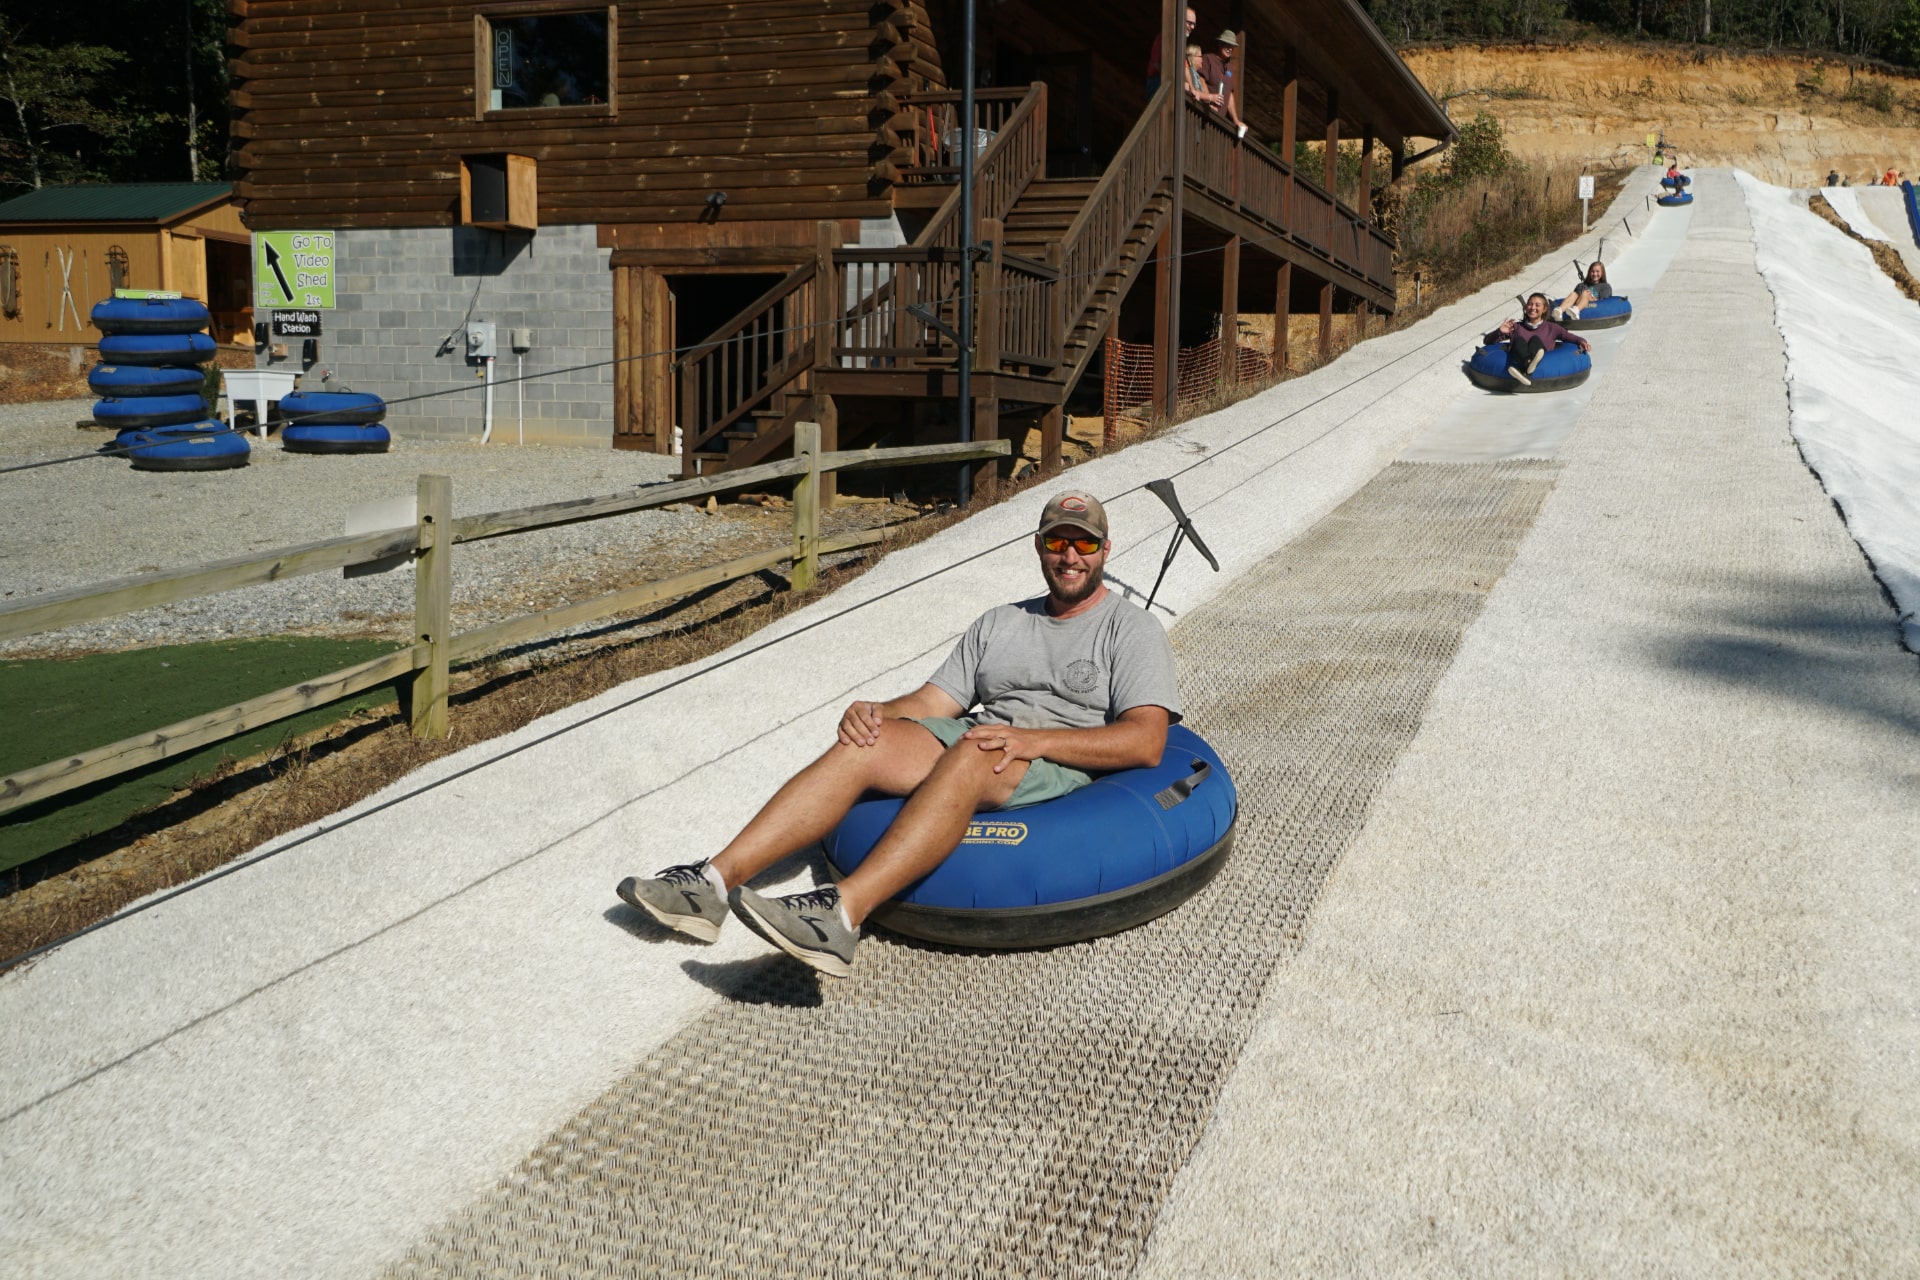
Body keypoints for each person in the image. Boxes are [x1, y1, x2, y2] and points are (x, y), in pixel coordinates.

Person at [616, 491, 1182, 978]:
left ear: (1105, 551)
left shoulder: (1130, 630)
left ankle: (839, 918)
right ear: (1039, 547)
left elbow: (1145, 740)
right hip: (983, 739)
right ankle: (710, 885)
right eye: (1057, 541)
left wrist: (1035, 741)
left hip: (1057, 756)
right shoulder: (1000, 622)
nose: (1069, 556)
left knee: (971, 749)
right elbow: (935, 703)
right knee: (867, 743)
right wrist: (876, 712)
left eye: (1083, 544)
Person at [1486, 293, 1590, 385]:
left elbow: (1569, 337)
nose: (1532, 307)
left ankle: (1525, 370)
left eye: (1537, 305)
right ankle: (1527, 365)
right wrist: (1499, 331)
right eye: (1530, 304)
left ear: (1544, 309)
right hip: (1519, 356)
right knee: (1518, 340)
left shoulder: (1551, 328)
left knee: (1535, 339)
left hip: (1544, 361)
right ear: (1526, 307)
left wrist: (1581, 341)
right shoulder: (1516, 327)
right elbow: (1488, 342)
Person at [1200, 31, 1248, 139]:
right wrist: (1209, 100)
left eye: (1232, 46)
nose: (1230, 48)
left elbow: (1229, 94)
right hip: (1204, 115)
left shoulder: (1230, 67)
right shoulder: (1208, 59)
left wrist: (1236, 120)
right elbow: (1201, 80)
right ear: (1219, 43)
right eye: (1227, 44)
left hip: (1218, 122)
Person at [1146, 7, 1197, 97]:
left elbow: (1184, 68)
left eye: (1194, 24)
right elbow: (1157, 64)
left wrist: (1192, 89)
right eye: (1189, 23)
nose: (1192, 27)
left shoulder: (1181, 44)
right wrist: (1177, 82)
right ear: (1181, 20)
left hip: (1172, 83)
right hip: (1158, 81)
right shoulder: (1164, 38)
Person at [1183, 44, 1222, 109]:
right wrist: (1211, 97)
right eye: (1201, 56)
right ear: (1193, 57)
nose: (1202, 59)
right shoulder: (1190, 72)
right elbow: (1194, 92)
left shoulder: (1195, 74)